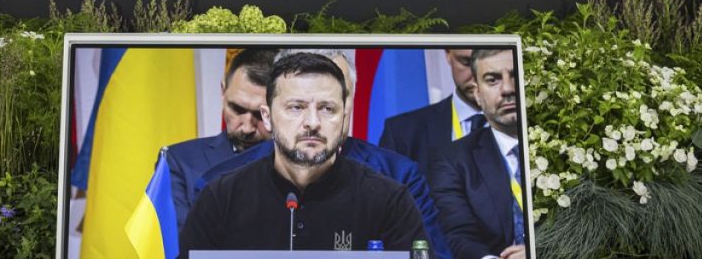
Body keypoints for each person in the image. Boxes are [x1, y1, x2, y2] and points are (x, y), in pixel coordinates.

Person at [193, 49, 452, 259]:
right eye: (296, 107)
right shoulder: (220, 197)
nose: (313, 122)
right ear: (267, 116)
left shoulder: (390, 200)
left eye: (327, 109)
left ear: (344, 116)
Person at [430, 49, 527, 259]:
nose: (508, 89)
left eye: (515, 76)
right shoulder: (453, 160)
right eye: (493, 80)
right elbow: (458, 235)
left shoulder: (567, 145)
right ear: (478, 94)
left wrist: (540, 252)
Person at [166, 49, 276, 231]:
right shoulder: (180, 161)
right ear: (223, 91)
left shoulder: (304, 163)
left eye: (261, 115)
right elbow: (183, 244)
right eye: (237, 109)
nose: (247, 127)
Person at [380, 49, 485, 179]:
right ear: (447, 54)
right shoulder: (402, 133)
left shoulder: (517, 124)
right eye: (466, 62)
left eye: (485, 62)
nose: (477, 75)